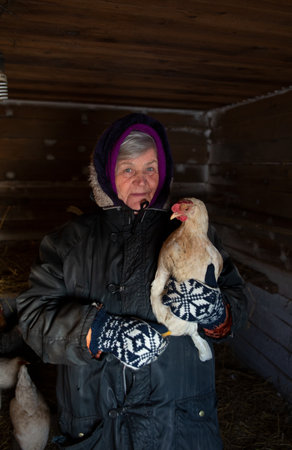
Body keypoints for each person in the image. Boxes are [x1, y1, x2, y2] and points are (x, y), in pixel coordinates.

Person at [16, 113, 247, 449]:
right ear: (107, 175)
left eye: (150, 168)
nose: (142, 180)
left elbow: (236, 304)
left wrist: (216, 312)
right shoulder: (68, 242)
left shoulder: (195, 235)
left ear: (163, 173)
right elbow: (32, 319)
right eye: (128, 169)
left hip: (181, 427)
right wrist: (102, 332)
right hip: (97, 427)